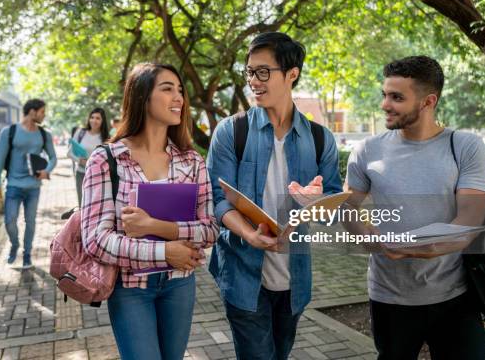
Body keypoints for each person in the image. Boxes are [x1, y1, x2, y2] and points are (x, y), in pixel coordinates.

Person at [206, 32, 343, 360]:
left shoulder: (321, 139)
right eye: (250, 72)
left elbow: (334, 203)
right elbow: (216, 198)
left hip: (294, 280)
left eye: (263, 72)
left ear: (292, 74)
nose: (254, 81)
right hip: (242, 274)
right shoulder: (231, 131)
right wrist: (247, 233)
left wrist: (315, 203)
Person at [343, 56, 485, 359]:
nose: (385, 104)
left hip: (454, 296)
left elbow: (469, 221)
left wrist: (413, 248)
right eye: (384, 95)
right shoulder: (367, 150)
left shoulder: (465, 146)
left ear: (428, 101)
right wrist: (364, 233)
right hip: (389, 297)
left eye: (396, 97)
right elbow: (349, 207)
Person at [81, 63, 219, 360]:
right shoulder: (107, 160)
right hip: (130, 288)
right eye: (167, 89)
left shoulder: (192, 160)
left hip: (180, 285)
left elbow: (210, 228)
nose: (179, 98)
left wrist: (155, 226)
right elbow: (96, 240)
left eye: (181, 90)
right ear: (142, 97)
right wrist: (164, 253)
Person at [0, 98, 57, 268]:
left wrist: (46, 171)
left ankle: (27, 254)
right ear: (32, 111)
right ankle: (14, 245)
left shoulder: (44, 134)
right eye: (42, 111)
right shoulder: (10, 131)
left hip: (33, 187)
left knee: (31, 221)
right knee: (9, 221)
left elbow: (53, 157)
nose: (44, 115)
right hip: (13, 185)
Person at [67, 107, 110, 206]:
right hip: (81, 173)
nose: (94, 120)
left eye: (98, 118)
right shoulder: (80, 133)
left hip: (98, 176)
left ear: (102, 121)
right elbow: (69, 153)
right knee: (82, 205)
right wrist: (80, 160)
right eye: (92, 117)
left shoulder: (106, 137)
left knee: (95, 206)